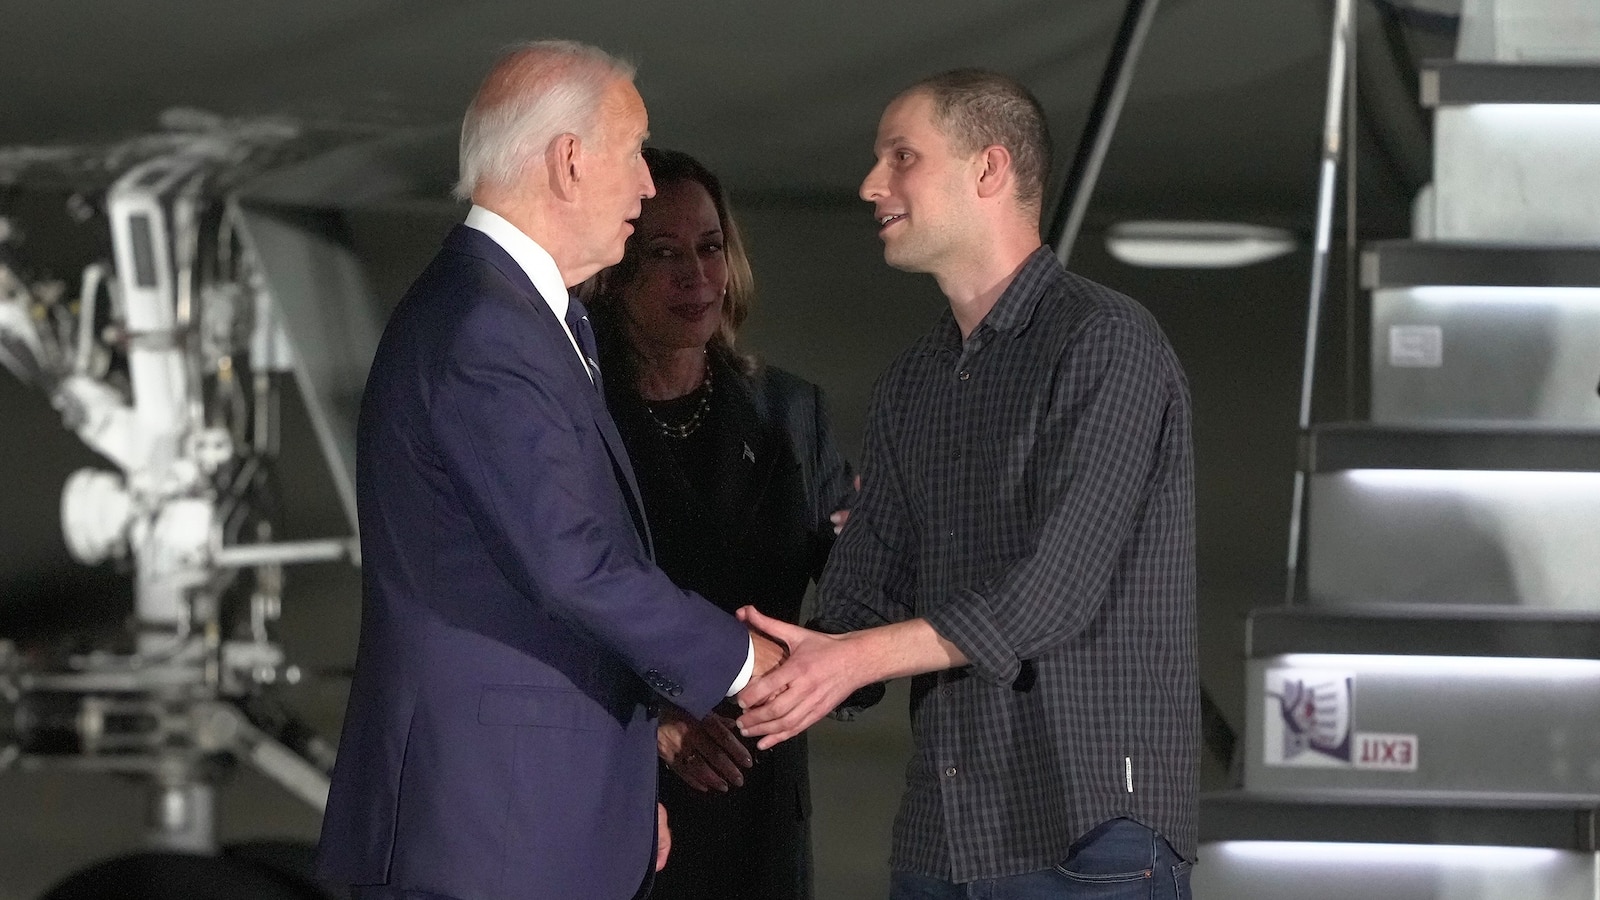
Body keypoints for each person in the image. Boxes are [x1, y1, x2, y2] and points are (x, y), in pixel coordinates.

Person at [315, 41, 784, 900]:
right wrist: (749, 661)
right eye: (636, 152)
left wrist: (611, 778)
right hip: (491, 828)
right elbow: (574, 564)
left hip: (530, 809)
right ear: (569, 161)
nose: (648, 188)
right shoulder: (485, 329)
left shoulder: (526, 312)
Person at [736, 69, 1199, 899]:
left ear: (989, 171)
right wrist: (746, 663)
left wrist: (847, 659)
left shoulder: (1106, 342)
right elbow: (858, 604)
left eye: (901, 156)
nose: (871, 185)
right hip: (942, 843)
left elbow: (1050, 594)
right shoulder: (912, 383)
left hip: (1085, 839)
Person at [582, 146, 854, 900]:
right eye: (664, 253)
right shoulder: (576, 416)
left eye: (709, 248)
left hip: (758, 795)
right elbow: (552, 602)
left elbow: (858, 591)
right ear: (614, 273)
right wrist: (652, 723)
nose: (696, 276)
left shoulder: (789, 410)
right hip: (625, 794)